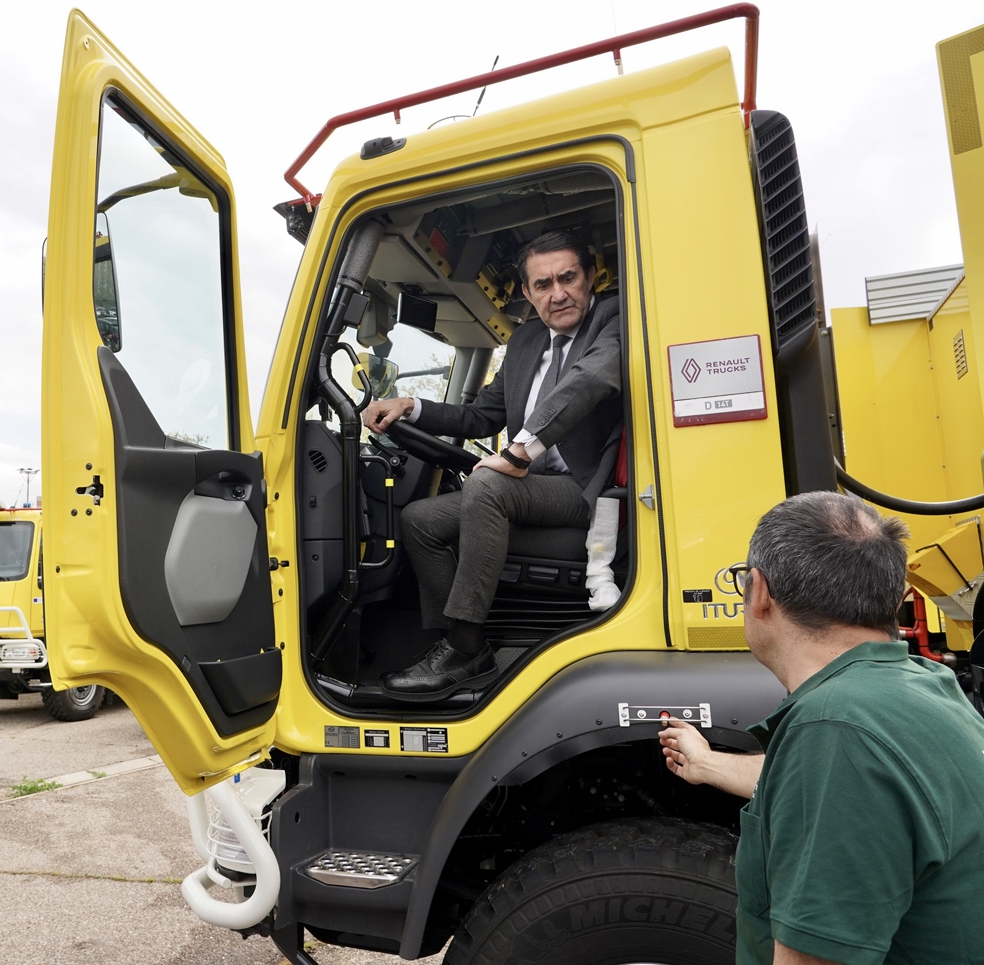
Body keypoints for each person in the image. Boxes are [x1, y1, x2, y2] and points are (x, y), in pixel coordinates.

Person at [658, 492, 984, 965]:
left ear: (760, 591)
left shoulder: (835, 731)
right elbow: (854, 789)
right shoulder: (920, 685)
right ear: (896, 596)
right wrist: (708, 762)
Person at [363, 230, 623, 698]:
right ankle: (465, 644)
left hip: (581, 489)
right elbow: (481, 415)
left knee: (487, 487)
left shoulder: (614, 316)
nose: (557, 293)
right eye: (542, 285)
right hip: (531, 487)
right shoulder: (525, 340)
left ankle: (462, 647)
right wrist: (410, 405)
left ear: (590, 278)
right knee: (419, 518)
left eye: (568, 277)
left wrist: (519, 452)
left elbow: (588, 381)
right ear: (527, 293)